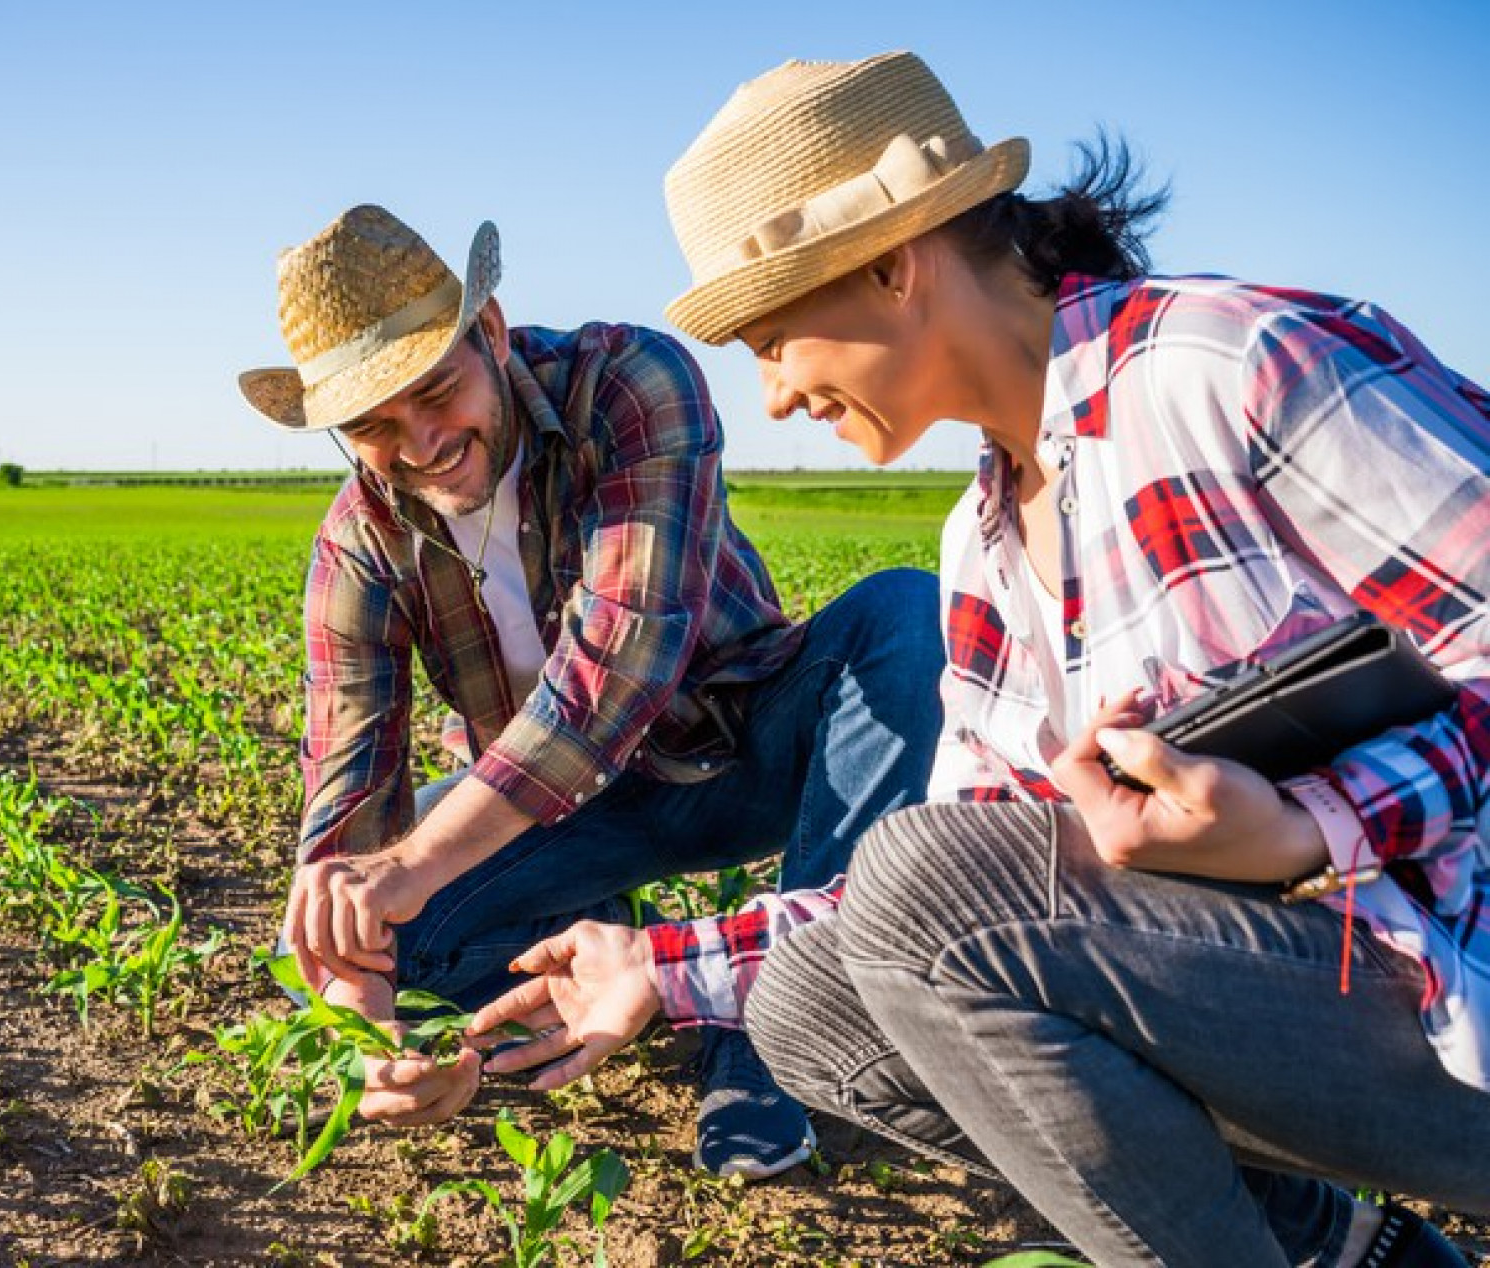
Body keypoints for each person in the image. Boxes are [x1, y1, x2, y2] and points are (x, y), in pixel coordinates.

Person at [470, 53, 1490, 1266]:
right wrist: (660, 963)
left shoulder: (1228, 365)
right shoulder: (984, 539)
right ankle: (1343, 1248)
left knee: (918, 885)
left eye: (771, 338)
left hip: (1445, 986)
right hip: (1301, 1012)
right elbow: (955, 880)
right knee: (815, 1011)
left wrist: (1303, 824)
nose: (778, 395)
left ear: (894, 263)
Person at [236, 203, 944, 1175]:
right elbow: (346, 786)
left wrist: (405, 871)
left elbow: (614, 674)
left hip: (739, 750)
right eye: (373, 426)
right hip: (553, 818)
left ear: (488, 330)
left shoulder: (627, 383)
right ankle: (617, 965)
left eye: (437, 391)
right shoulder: (360, 539)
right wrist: (374, 1026)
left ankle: (767, 1034)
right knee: (350, 940)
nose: (422, 441)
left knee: (906, 614)